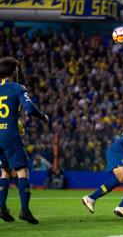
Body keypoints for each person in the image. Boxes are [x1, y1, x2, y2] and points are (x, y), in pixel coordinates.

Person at [0, 57, 49, 224]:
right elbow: (29, 108)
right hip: (10, 135)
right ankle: (25, 210)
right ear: (14, 71)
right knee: (22, 172)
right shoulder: (17, 88)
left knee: (5, 171)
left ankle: (2, 208)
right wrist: (43, 117)